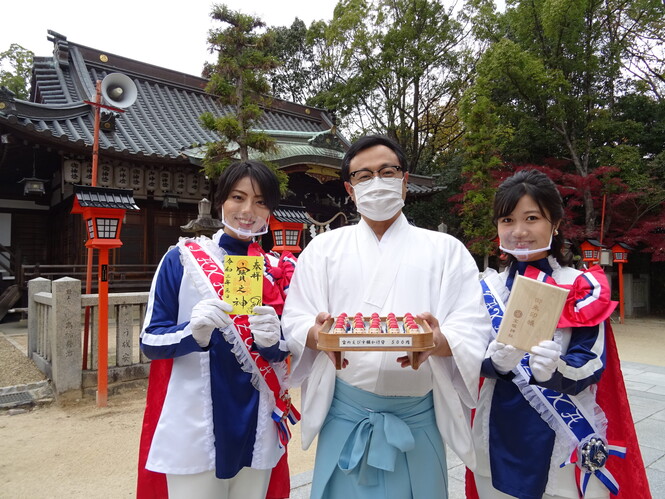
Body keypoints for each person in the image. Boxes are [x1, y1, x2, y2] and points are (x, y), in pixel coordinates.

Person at [281, 135, 492, 498]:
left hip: (417, 417)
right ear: (350, 188)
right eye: (363, 176)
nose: (376, 182)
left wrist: (440, 341)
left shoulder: (446, 251)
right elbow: (296, 317)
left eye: (386, 171)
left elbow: (472, 325)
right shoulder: (323, 250)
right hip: (345, 414)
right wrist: (317, 336)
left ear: (405, 180)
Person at [468, 169, 651, 498]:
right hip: (496, 428)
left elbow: (592, 361)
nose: (519, 231)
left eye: (532, 218)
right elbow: (468, 354)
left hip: (563, 431)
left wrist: (556, 369)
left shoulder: (580, 286)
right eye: (507, 220)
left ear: (554, 223)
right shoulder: (485, 289)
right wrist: (494, 362)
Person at [136, 160, 299, 499]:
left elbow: (293, 348)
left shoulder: (279, 269)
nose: (248, 210)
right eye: (238, 197)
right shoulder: (183, 258)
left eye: (260, 202)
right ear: (221, 200)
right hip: (194, 422)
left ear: (271, 211)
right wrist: (191, 332)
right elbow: (150, 340)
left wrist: (274, 343)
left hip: (259, 424)